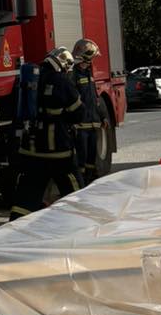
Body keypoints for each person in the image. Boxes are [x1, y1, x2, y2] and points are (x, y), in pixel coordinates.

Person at [9, 48, 83, 218]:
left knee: (27, 195)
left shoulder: (27, 80)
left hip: (30, 151)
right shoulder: (62, 81)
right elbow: (79, 113)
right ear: (63, 65)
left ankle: (16, 225)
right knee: (75, 192)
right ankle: (81, 222)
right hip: (58, 152)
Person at [71, 39, 102, 183]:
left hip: (93, 123)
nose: (91, 62)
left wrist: (103, 116)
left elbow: (95, 98)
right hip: (81, 125)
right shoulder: (74, 75)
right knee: (81, 156)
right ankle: (81, 181)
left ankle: (90, 178)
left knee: (91, 156)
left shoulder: (89, 74)